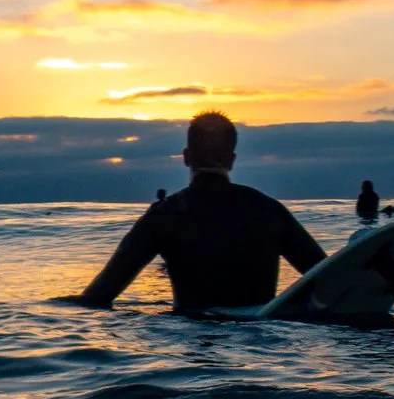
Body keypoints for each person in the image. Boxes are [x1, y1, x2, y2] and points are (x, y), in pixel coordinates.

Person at [75, 111, 328, 314]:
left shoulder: (163, 216)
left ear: (186, 157)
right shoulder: (269, 210)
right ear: (231, 159)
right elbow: (329, 279)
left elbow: (99, 296)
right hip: (259, 348)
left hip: (189, 346)